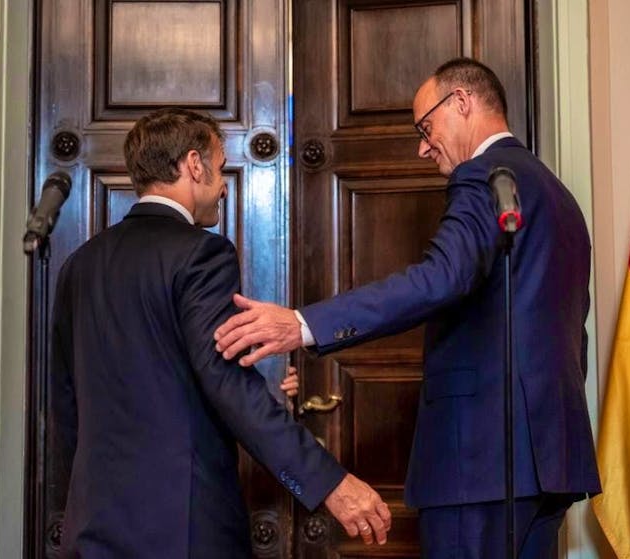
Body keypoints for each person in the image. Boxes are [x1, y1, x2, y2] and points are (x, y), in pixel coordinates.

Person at [213, 58, 601, 557]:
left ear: (461, 102)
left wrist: (303, 324)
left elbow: (441, 277)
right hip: (550, 462)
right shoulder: (557, 194)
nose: (423, 146)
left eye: (426, 126)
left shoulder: (483, 177)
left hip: (478, 463)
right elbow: (572, 329)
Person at [49, 108, 391, 558]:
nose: (226, 184)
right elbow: (227, 385)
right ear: (194, 165)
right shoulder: (201, 254)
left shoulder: (80, 263)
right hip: (184, 528)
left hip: (93, 526)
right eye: (220, 165)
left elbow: (65, 404)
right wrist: (329, 481)